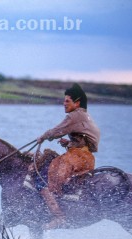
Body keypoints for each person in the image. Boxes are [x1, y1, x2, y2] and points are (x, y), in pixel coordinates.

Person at [36, 83, 100, 229]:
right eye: (64, 101)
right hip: (83, 155)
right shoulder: (83, 115)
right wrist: (69, 143)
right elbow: (84, 138)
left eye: (67, 101)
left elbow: (58, 129)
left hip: (80, 156)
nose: (64, 104)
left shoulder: (75, 115)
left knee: (53, 171)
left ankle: (59, 216)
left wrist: (43, 136)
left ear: (77, 103)